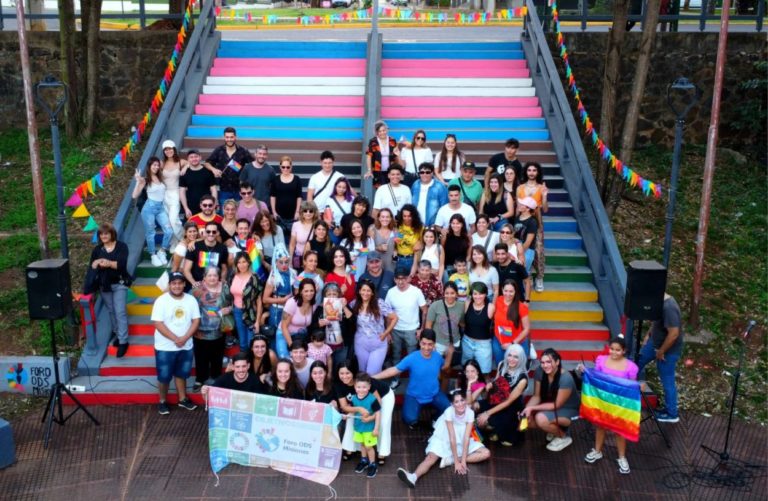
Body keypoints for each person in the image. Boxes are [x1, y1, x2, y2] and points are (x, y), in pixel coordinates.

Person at [396, 390, 490, 489]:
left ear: (465, 401)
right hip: (444, 438)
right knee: (430, 458)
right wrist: (458, 463)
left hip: (462, 440)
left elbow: (466, 437)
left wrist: (462, 461)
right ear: (452, 404)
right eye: (456, 402)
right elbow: (452, 437)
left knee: (486, 453)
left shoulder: (470, 413)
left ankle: (451, 460)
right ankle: (413, 477)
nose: (460, 404)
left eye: (462, 400)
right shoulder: (448, 412)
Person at [582, 336, 639, 474]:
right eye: (612, 349)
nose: (613, 352)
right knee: (600, 427)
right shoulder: (601, 360)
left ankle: (622, 457)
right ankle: (597, 451)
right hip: (603, 402)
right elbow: (596, 378)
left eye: (617, 350)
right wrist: (586, 370)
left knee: (620, 431)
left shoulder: (631, 367)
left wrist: (639, 386)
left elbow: (631, 387)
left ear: (624, 351)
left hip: (620, 405)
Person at [373, 330, 449, 428]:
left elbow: (445, 367)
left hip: (434, 394)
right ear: (419, 342)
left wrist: (449, 355)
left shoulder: (437, 357)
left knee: (449, 409)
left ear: (434, 344)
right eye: (424, 343)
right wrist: (373, 377)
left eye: (430, 344)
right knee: (409, 420)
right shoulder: (412, 358)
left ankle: (434, 418)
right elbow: (394, 370)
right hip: (414, 396)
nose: (426, 347)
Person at [151, 272, 200, 415]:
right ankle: (162, 401)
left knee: (182, 374)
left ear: (184, 284)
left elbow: (196, 320)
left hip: (186, 345)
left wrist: (184, 338)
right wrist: (175, 339)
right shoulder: (161, 300)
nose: (177, 286)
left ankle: (183, 399)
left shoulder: (191, 300)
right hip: (165, 347)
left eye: (180, 283)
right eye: (174, 283)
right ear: (169, 285)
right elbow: (158, 323)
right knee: (164, 376)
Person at [636, 293, 683, 423]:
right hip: (654, 342)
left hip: (668, 349)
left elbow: (674, 333)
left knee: (667, 380)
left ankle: (672, 413)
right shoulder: (658, 303)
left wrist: (661, 351)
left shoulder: (669, 307)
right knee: (637, 362)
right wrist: (648, 335)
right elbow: (657, 321)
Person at [522, 348, 581, 451]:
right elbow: (536, 396)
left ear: (557, 362)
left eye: (549, 362)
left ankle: (563, 436)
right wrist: (527, 410)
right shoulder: (540, 372)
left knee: (540, 418)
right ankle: (553, 428)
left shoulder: (565, 378)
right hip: (551, 404)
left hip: (569, 409)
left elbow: (556, 405)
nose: (545, 365)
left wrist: (532, 408)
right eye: (543, 362)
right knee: (526, 419)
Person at [90, 223, 131, 358]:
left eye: (106, 233)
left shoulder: (121, 246)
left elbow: (121, 265)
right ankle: (118, 335)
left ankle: (124, 341)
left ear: (112, 234)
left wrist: (105, 262)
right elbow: (93, 266)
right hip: (104, 285)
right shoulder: (97, 250)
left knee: (120, 311)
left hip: (119, 283)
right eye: (101, 234)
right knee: (111, 311)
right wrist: (97, 263)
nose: (104, 236)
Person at [476, 344, 529, 446]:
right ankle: (494, 429)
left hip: (511, 407)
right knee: (475, 407)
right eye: (510, 355)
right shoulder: (502, 365)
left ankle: (500, 430)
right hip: (497, 400)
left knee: (505, 441)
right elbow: (497, 383)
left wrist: (487, 413)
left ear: (521, 359)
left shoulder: (522, 379)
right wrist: (491, 385)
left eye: (516, 357)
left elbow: (508, 401)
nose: (511, 359)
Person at [385, 267, 428, 386]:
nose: (400, 282)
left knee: (413, 357)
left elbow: (424, 310)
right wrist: (388, 331)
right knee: (396, 355)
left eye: (403, 278)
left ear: (408, 278)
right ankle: (396, 379)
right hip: (396, 329)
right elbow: (388, 313)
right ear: (394, 279)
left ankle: (413, 380)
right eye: (398, 279)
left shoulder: (416, 291)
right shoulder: (391, 292)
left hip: (412, 329)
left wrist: (422, 329)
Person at [132, 156, 174, 267]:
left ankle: (162, 251)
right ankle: (153, 255)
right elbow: (134, 195)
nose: (156, 167)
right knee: (151, 233)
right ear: (149, 166)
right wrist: (138, 181)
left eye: (157, 165)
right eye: (153, 165)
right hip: (149, 208)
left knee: (169, 231)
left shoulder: (160, 178)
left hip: (160, 208)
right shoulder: (145, 180)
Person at [191, 266, 226, 391]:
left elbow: (232, 304)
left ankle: (216, 378)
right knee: (201, 357)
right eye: (209, 275)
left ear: (218, 276)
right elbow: (190, 306)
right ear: (204, 277)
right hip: (200, 331)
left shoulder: (225, 287)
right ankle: (200, 379)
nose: (212, 278)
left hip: (219, 329)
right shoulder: (196, 289)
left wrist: (227, 310)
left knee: (217, 356)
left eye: (215, 275)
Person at [352, 279, 397, 375]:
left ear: (372, 293)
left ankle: (375, 389)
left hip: (378, 343)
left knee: (372, 373)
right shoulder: (354, 304)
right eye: (363, 290)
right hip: (360, 343)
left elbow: (395, 318)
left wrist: (386, 333)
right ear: (359, 291)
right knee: (362, 373)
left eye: (368, 291)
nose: (365, 293)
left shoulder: (379, 303)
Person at [425, 282, 465, 389]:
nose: (449, 296)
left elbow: (462, 323)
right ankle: (434, 390)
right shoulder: (435, 305)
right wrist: (430, 343)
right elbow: (428, 325)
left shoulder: (461, 306)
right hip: (437, 343)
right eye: (447, 293)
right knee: (436, 369)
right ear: (443, 294)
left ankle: (443, 392)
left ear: (457, 294)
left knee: (447, 369)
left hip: (453, 343)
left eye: (452, 293)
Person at [517, 162, 548, 293]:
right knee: (523, 248)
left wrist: (545, 196)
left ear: (538, 172)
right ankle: (526, 274)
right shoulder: (520, 188)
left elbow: (545, 209)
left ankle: (540, 277)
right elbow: (519, 207)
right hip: (523, 222)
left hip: (537, 221)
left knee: (538, 250)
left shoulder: (542, 188)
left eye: (534, 170)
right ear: (526, 172)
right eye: (529, 170)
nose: (531, 172)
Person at [223, 252, 263, 352]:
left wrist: (257, 321)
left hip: (251, 314)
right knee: (242, 343)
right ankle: (244, 365)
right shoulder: (233, 276)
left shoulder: (255, 278)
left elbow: (259, 301)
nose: (242, 265)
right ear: (236, 264)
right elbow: (229, 295)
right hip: (237, 312)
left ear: (248, 262)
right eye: (239, 262)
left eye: (244, 262)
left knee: (251, 343)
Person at [203, 126, 253, 207]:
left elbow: (253, 164)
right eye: (227, 137)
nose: (229, 139)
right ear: (224, 137)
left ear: (235, 137)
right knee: (224, 214)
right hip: (224, 190)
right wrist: (213, 169)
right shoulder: (219, 150)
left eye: (231, 137)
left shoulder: (243, 150)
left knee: (239, 215)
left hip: (240, 190)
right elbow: (207, 163)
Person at [262, 244, 297, 354]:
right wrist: (280, 300)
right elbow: (265, 299)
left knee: (289, 335)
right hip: (277, 310)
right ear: (276, 262)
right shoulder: (273, 277)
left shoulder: (293, 273)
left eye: (286, 262)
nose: (284, 265)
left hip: (290, 309)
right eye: (281, 262)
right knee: (275, 337)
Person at [310, 282, 354, 367]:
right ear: (324, 296)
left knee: (340, 368)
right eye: (329, 294)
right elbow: (311, 327)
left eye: (334, 294)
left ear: (339, 295)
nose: (332, 296)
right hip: (324, 346)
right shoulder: (320, 308)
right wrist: (318, 324)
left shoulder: (344, 306)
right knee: (325, 368)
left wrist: (344, 307)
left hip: (341, 346)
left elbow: (353, 323)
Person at [350, 373, 382, 478]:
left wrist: (376, 428)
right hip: (358, 427)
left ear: (369, 387)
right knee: (362, 445)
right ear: (355, 387)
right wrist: (348, 415)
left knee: (369, 446)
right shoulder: (354, 398)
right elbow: (353, 411)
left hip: (369, 428)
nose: (361, 389)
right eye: (359, 387)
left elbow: (378, 413)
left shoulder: (372, 399)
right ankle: (364, 461)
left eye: (364, 387)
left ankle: (372, 464)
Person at [279, 278, 317, 359]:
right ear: (300, 292)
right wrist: (292, 347)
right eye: (306, 291)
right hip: (285, 334)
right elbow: (283, 326)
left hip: (301, 336)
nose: (309, 293)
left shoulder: (314, 304)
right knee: (286, 359)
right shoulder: (292, 303)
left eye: (311, 290)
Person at [493, 280, 530, 364]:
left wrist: (512, 344)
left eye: (511, 291)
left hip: (516, 342)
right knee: (501, 366)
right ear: (502, 290)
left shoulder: (521, 307)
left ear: (515, 291)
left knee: (517, 368)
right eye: (505, 291)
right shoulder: (497, 300)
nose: (508, 294)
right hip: (499, 341)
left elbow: (526, 329)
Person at [183, 221, 228, 290]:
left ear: (218, 233)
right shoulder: (194, 246)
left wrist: (222, 279)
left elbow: (224, 268)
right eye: (208, 231)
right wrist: (194, 283)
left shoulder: (222, 248)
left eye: (214, 232)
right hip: (198, 285)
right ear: (205, 232)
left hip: (214, 285)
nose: (211, 234)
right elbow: (186, 270)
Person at [462, 282, 495, 373]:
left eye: (481, 294)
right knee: (466, 371)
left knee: (484, 372)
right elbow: (461, 321)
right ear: (471, 294)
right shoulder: (467, 303)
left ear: (486, 294)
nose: (478, 296)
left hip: (483, 344)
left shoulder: (490, 307)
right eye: (475, 294)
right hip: (467, 342)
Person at [202, 352, 268, 396]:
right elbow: (209, 398)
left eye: (244, 366)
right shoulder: (224, 378)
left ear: (248, 366)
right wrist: (204, 393)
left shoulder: (255, 380)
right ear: (233, 367)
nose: (241, 370)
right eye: (237, 367)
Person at [270, 155, 303, 241]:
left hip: (293, 216)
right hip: (279, 216)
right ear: (280, 167)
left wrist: (297, 211)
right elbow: (273, 196)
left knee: (293, 239)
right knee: (280, 239)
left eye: (288, 167)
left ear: (291, 167)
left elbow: (299, 196)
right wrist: (274, 212)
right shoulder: (275, 179)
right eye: (283, 167)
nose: (285, 169)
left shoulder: (297, 179)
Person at [179, 148, 217, 220]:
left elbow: (213, 189)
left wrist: (213, 205)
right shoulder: (184, 173)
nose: (194, 159)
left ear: (200, 157)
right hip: (191, 207)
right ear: (188, 159)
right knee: (192, 229)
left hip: (207, 206)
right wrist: (186, 208)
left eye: (196, 156)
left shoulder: (208, 172)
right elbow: (182, 192)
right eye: (191, 157)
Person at [160, 139, 186, 241]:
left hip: (175, 193)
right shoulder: (162, 163)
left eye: (170, 149)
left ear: (174, 149)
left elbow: (189, 163)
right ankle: (174, 242)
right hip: (164, 194)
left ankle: (183, 239)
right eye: (166, 150)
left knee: (173, 219)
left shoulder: (181, 162)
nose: (168, 151)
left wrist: (185, 168)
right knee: (168, 221)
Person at [513, 197, 539, 298]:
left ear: (528, 208)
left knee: (523, 274)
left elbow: (528, 242)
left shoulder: (532, 222)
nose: (519, 205)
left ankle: (524, 298)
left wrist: (519, 253)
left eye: (522, 204)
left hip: (526, 251)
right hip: (517, 249)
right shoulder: (517, 218)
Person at [365, 119, 400, 186]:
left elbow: (396, 155)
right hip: (377, 171)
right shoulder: (373, 141)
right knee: (380, 189)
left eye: (383, 130)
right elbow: (369, 156)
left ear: (386, 130)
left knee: (391, 188)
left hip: (391, 170)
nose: (382, 133)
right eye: (379, 131)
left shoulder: (392, 140)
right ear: (376, 132)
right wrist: (369, 170)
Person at [289, 201, 319, 270]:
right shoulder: (296, 225)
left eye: (311, 211)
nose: (308, 213)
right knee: (299, 278)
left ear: (314, 213)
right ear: (301, 212)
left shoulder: (317, 225)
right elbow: (292, 245)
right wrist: (290, 260)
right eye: (305, 211)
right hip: (298, 257)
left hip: (313, 260)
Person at [394, 204, 424, 273]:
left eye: (409, 216)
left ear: (414, 216)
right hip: (399, 259)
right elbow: (397, 241)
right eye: (404, 216)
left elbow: (424, 243)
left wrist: (421, 245)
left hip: (412, 259)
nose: (407, 218)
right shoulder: (399, 225)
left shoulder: (419, 227)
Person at [443, 214, 472, 279]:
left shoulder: (467, 237)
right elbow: (442, 251)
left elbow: (468, 255)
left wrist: (462, 266)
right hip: (448, 267)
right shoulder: (446, 236)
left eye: (458, 223)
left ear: (462, 224)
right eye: (453, 223)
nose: (455, 225)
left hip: (462, 268)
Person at [325, 177, 354, 241]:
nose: (341, 189)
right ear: (335, 186)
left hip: (347, 228)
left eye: (344, 187)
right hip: (334, 228)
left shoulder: (352, 199)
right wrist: (328, 222)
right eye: (339, 186)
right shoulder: (329, 199)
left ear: (347, 189)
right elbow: (325, 215)